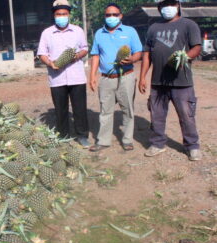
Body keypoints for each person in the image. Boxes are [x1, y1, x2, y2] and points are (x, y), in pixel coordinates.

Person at [139, 0, 202, 161]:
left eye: (171, 3)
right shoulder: (154, 27)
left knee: (187, 115)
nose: (168, 7)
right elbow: (147, 53)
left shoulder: (189, 25)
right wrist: (142, 77)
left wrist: (185, 57)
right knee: (157, 115)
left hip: (182, 82)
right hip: (158, 82)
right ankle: (157, 143)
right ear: (159, 8)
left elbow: (196, 47)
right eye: (164, 4)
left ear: (178, 5)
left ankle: (192, 146)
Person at [89, 3, 142, 152]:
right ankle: (103, 141)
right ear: (104, 16)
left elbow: (139, 52)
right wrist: (92, 76)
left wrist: (132, 59)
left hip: (126, 76)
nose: (111, 17)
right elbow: (95, 55)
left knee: (127, 109)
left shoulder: (130, 31)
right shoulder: (99, 33)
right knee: (105, 110)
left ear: (120, 16)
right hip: (106, 78)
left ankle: (127, 140)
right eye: (108, 15)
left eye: (114, 14)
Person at [37, 0, 90, 148]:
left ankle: (82, 135)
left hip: (77, 77)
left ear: (69, 14)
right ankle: (64, 137)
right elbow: (41, 54)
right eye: (59, 14)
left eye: (64, 14)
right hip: (57, 78)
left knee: (80, 108)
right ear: (54, 15)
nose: (62, 16)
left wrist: (76, 56)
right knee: (60, 110)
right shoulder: (47, 33)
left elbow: (85, 49)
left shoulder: (78, 31)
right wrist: (50, 63)